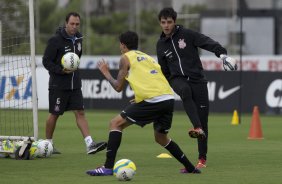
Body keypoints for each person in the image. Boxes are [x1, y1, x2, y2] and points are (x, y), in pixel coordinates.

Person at [86, 31, 201, 176]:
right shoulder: (147, 57)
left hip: (153, 100)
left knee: (115, 124)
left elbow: (118, 87)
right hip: (167, 98)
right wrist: (140, 96)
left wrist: (106, 72)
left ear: (122, 45)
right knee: (161, 138)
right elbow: (151, 78)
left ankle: (108, 167)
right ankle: (190, 167)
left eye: (120, 44)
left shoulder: (125, 58)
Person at [156, 7, 237, 169]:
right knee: (185, 91)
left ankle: (202, 159)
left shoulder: (187, 35)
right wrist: (163, 86)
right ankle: (197, 127)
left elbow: (207, 42)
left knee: (203, 119)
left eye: (169, 22)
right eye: (163, 22)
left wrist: (222, 54)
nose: (166, 25)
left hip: (198, 81)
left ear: (174, 21)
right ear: (160, 23)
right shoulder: (160, 45)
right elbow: (163, 70)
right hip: (177, 79)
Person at [42, 12, 107, 155]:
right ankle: (48, 144)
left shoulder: (79, 39)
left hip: (75, 84)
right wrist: (60, 70)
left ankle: (90, 144)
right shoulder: (55, 40)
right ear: (66, 23)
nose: (74, 27)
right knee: (54, 114)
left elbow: (76, 59)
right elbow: (46, 61)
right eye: (72, 24)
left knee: (80, 112)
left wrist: (72, 70)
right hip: (58, 85)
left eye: (77, 24)